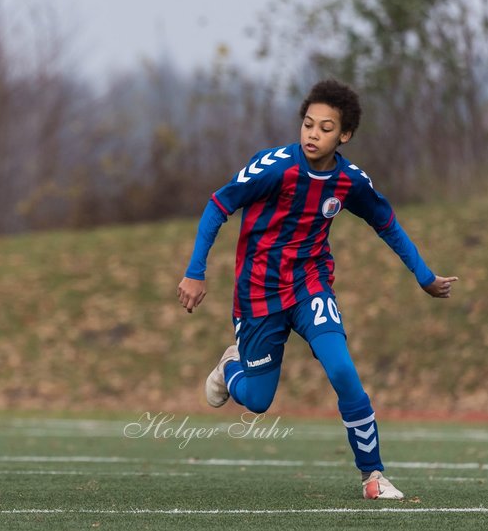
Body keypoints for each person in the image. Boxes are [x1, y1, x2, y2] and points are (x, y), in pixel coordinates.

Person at [176, 79, 458, 500]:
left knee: (342, 370)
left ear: (344, 135)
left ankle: (373, 475)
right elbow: (218, 205)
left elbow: (387, 224)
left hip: (310, 287)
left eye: (326, 128)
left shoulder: (349, 181)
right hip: (258, 292)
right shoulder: (275, 167)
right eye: (308, 124)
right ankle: (229, 368)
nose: (313, 134)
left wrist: (423, 275)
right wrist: (195, 271)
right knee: (257, 401)